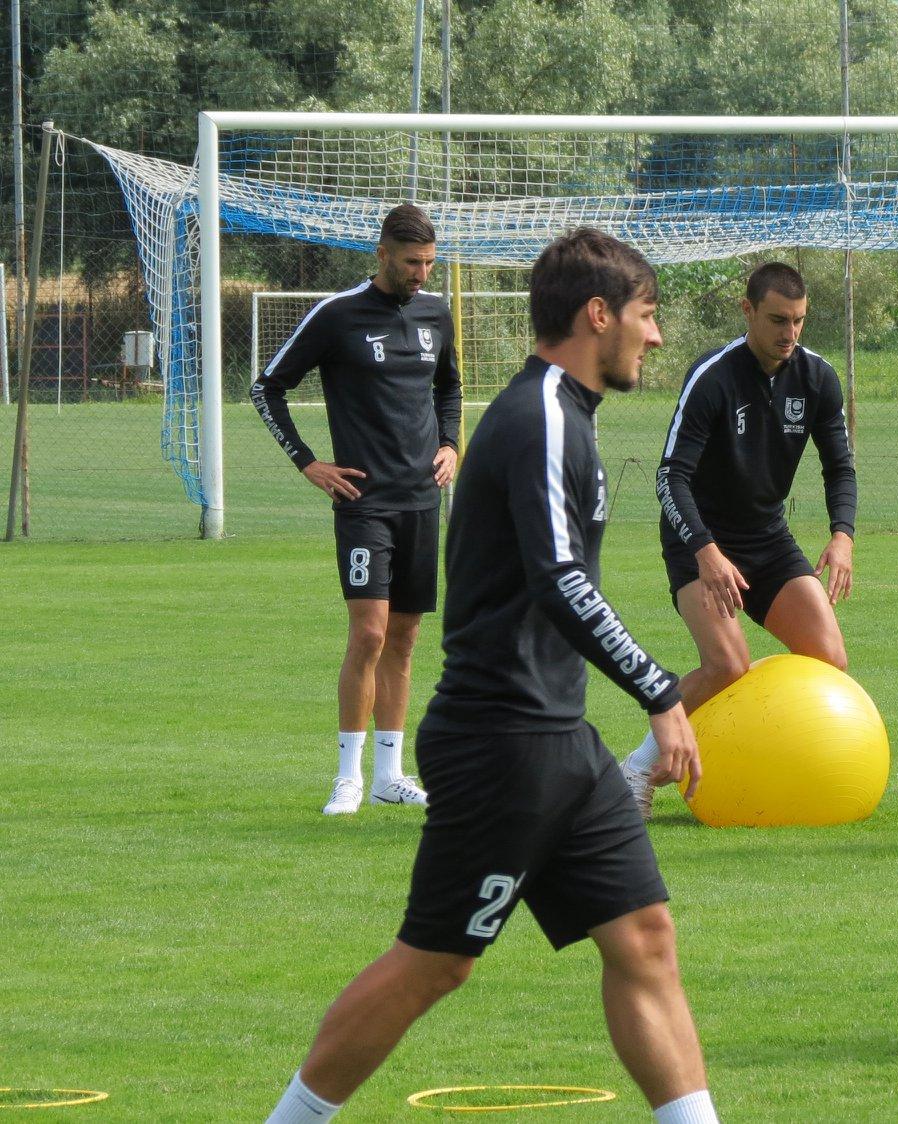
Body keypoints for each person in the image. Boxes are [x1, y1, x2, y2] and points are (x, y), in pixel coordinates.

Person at [264, 229, 719, 1124]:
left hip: (559, 739)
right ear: (598, 315)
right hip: (502, 741)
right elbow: (561, 580)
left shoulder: (562, 414)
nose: (655, 337)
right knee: (436, 961)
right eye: (646, 315)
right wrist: (662, 692)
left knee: (644, 939)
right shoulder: (541, 414)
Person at [621, 262, 857, 816]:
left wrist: (842, 536)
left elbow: (840, 468)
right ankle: (634, 770)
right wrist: (706, 553)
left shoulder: (818, 378)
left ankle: (776, 767)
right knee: (728, 665)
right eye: (777, 319)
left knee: (829, 658)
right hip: (698, 537)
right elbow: (670, 476)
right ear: (747, 311)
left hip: (767, 537)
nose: (789, 334)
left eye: (799, 322)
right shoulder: (714, 377)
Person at [251, 203, 462, 814]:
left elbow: (447, 386)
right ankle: (347, 775)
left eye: (428, 262)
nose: (422, 273)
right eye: (411, 262)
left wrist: (450, 443)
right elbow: (267, 386)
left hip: (422, 502)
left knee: (405, 636)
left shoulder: (435, 314)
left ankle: (390, 775)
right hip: (363, 503)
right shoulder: (338, 315)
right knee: (368, 632)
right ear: (382, 254)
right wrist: (307, 462)